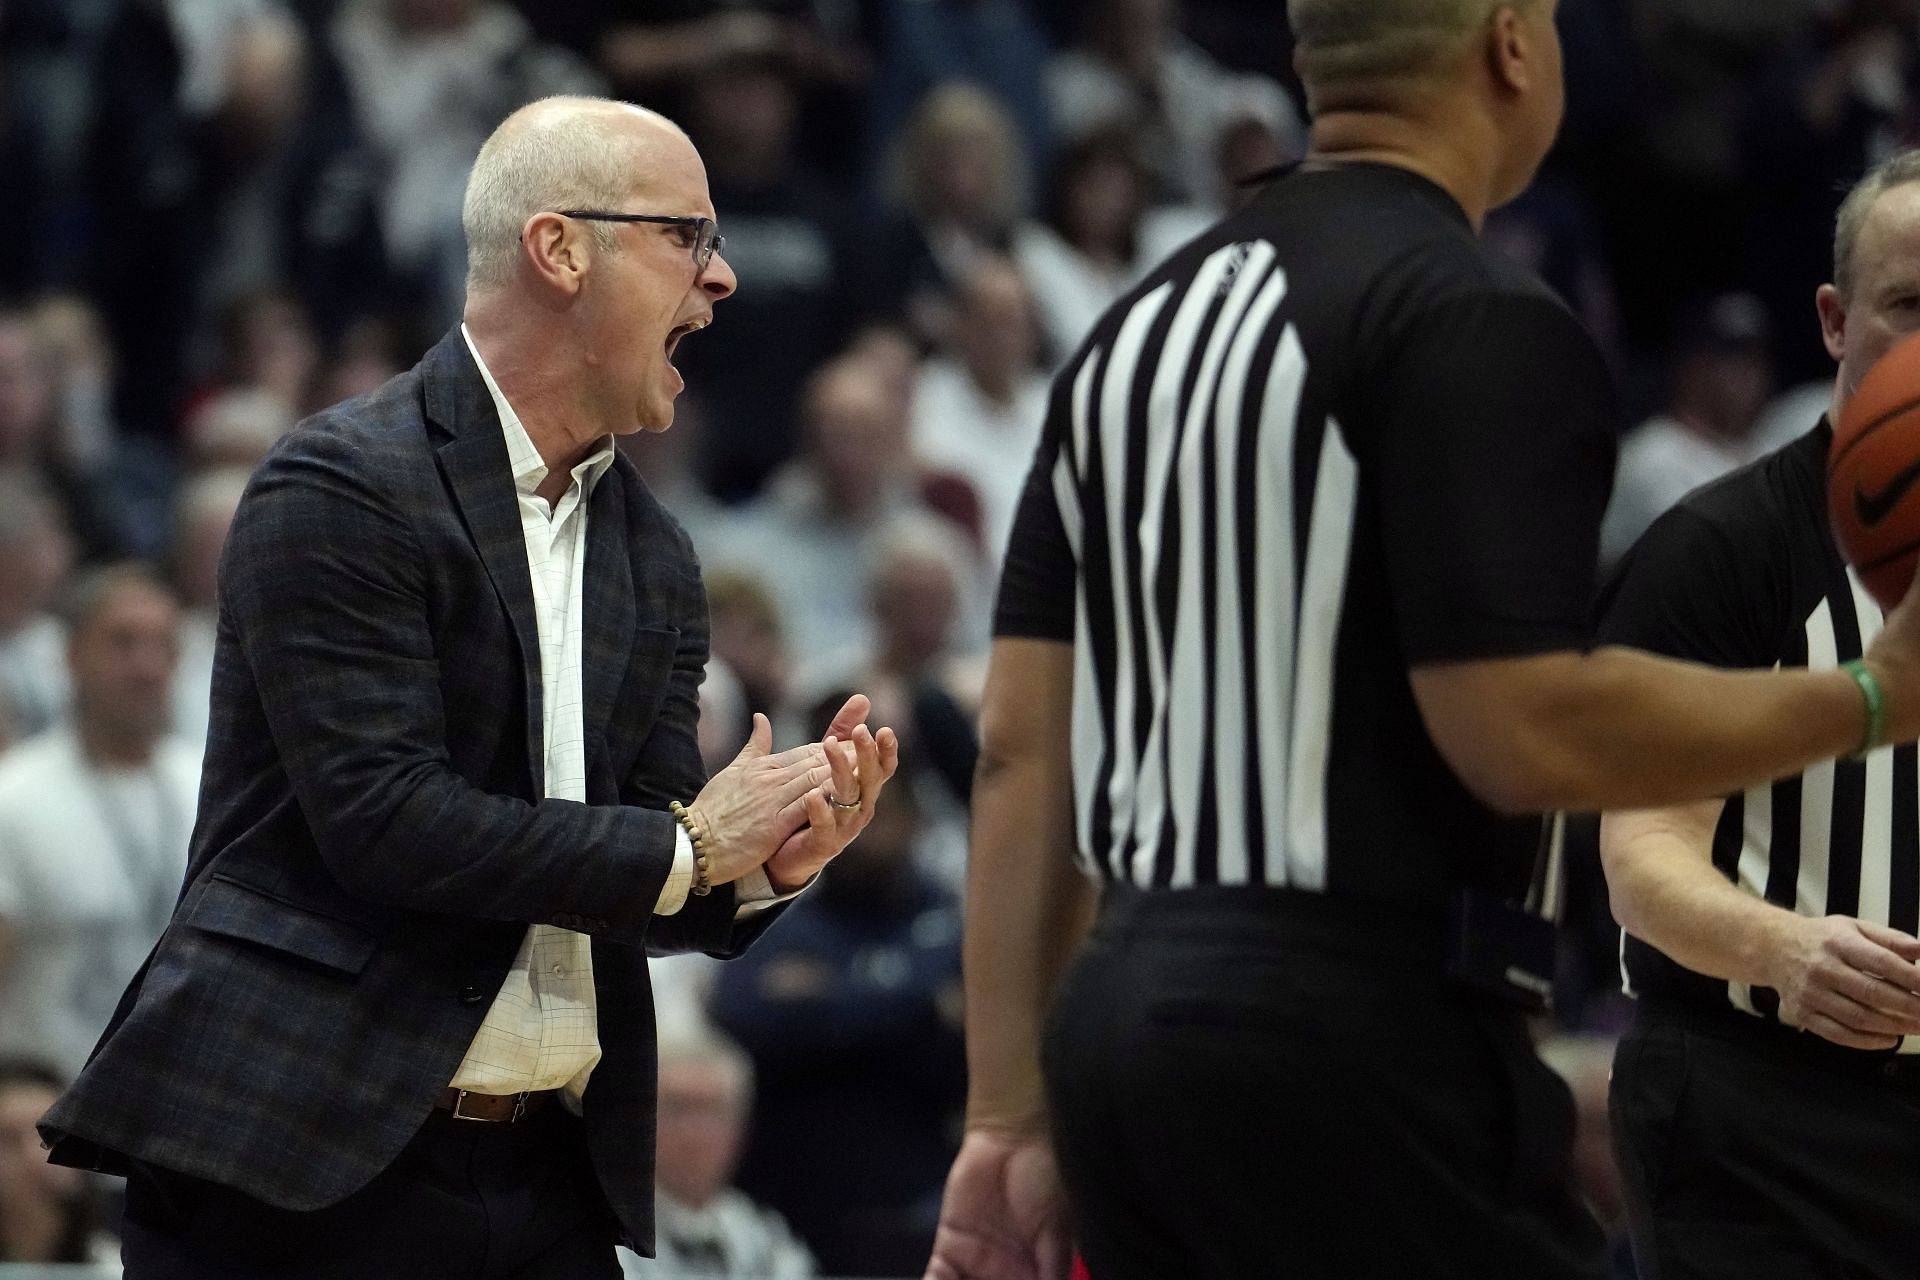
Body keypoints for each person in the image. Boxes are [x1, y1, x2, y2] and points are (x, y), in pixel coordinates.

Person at [922, 4, 1920, 1279]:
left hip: (1122, 1010)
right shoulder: (1478, 318)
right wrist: (1871, 697)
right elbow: (1518, 732)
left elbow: (1019, 746)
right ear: (1515, 47)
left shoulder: (1136, 330)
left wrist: (1005, 1117)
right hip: (1357, 1024)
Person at [39, 95, 899, 1280]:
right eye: (686, 237)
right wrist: (694, 849)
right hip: (300, 1162)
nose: (724, 279)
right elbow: (387, 822)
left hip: (545, 1177)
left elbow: (642, 865)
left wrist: (760, 867)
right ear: (559, 250)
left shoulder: (655, 557)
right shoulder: (339, 482)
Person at [1600, 149, 1920, 1279]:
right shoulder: (1725, 547)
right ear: (1835, 321)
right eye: (1909, 306)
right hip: (1759, 1104)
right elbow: (1641, 849)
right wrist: (1784, 945)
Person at [0, 564, 197, 1084]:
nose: (146, 666)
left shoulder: (210, 788)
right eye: (122, 643)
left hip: (176, 1101)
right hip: (49, 1122)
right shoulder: (14, 798)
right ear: (69, 656)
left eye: (163, 645)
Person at [618, 1025, 817, 1279]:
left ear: (741, 1127)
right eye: (677, 1109)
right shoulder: (608, 1234)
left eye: (713, 1112)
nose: (693, 1133)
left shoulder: (761, 1235)